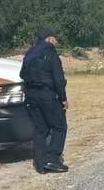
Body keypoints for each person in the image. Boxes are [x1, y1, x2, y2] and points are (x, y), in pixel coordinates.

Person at [20, 27, 69, 173]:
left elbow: (22, 74)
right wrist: (63, 98)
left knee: (40, 129)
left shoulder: (30, 53)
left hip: (31, 95)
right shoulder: (50, 52)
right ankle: (53, 159)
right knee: (60, 127)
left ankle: (40, 164)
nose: (56, 41)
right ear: (49, 39)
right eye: (55, 38)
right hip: (47, 95)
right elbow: (58, 79)